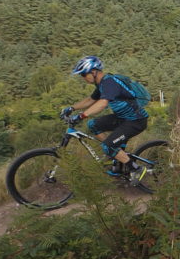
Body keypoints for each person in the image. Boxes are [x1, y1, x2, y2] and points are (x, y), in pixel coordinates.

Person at [63, 55, 150, 186]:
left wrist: (81, 115)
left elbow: (103, 103)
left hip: (135, 121)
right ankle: (115, 155)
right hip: (123, 118)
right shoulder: (101, 84)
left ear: (93, 71)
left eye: (83, 74)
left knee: (107, 146)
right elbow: (91, 100)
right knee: (93, 125)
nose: (83, 78)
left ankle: (136, 169)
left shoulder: (110, 82)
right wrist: (71, 108)